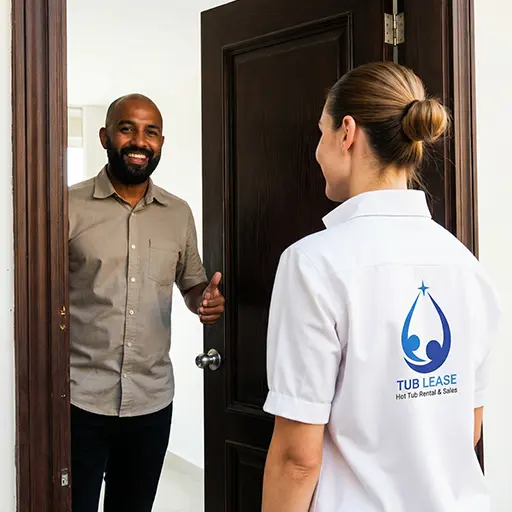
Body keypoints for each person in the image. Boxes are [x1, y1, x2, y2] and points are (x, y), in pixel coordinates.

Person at [261, 62, 500, 512]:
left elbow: (296, 458)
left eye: (321, 132)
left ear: (346, 132)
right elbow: (465, 430)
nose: (317, 150)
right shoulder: (465, 265)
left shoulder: (313, 263)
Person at [68, 93, 225, 512]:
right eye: (127, 128)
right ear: (105, 136)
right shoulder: (66, 207)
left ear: (160, 142)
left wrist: (202, 301)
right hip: (79, 398)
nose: (140, 140)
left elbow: (191, 283)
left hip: (151, 401)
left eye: (150, 132)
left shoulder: (178, 213)